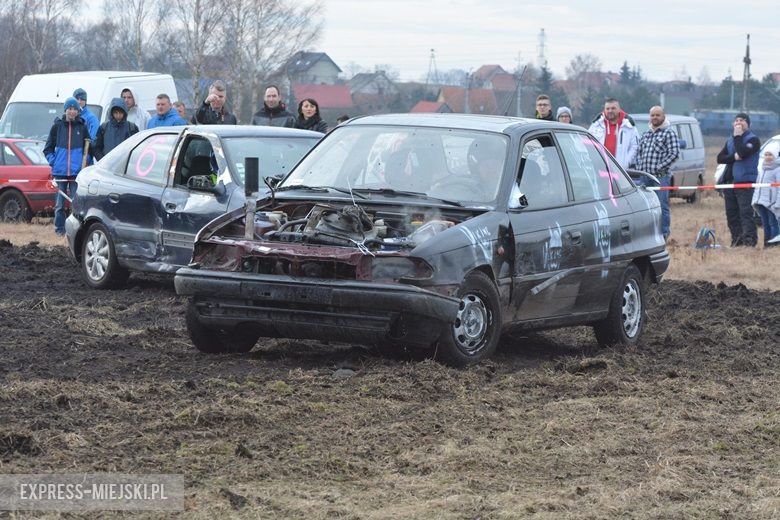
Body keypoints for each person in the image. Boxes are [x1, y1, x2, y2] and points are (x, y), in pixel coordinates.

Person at [630, 106, 680, 240]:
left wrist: (659, 167)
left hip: (660, 177)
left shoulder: (669, 133)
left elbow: (674, 154)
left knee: (661, 206)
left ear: (663, 116)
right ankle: (648, 234)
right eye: (652, 115)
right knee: (646, 207)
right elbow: (639, 152)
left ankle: (663, 234)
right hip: (644, 177)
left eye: (658, 115)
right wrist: (640, 167)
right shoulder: (646, 134)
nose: (655, 118)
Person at [43, 97, 90, 236]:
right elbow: (48, 148)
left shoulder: (82, 127)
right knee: (59, 206)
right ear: (65, 110)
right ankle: (59, 231)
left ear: (78, 111)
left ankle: (75, 232)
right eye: (70, 108)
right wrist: (54, 162)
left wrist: (85, 162)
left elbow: (88, 149)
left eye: (75, 109)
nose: (72, 111)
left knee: (76, 204)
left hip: (76, 174)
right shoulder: (57, 127)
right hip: (60, 173)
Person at [717, 113, 760, 247]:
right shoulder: (730, 140)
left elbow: (742, 152)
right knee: (732, 215)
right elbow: (720, 158)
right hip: (729, 183)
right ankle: (737, 241)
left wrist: (738, 136)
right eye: (736, 120)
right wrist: (734, 157)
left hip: (745, 182)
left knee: (746, 214)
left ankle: (749, 242)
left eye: (742, 120)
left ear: (748, 124)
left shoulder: (753, 140)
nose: (739, 123)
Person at [588, 98, 638, 169]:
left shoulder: (628, 126)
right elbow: (588, 144)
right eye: (607, 109)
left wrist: (626, 163)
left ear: (619, 109)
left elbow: (634, 147)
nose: (610, 111)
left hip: (621, 170)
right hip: (600, 167)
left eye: (613, 108)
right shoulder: (596, 124)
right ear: (604, 110)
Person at [751, 149, 780, 246]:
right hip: (760, 201)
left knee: (773, 222)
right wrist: (755, 199)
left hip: (771, 202)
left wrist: (778, 203)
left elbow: (779, 187)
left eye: (770, 154)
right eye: (766, 154)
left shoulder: (777, 169)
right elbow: (758, 185)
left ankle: (774, 243)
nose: (768, 157)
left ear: (775, 156)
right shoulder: (762, 169)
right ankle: (767, 244)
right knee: (765, 223)